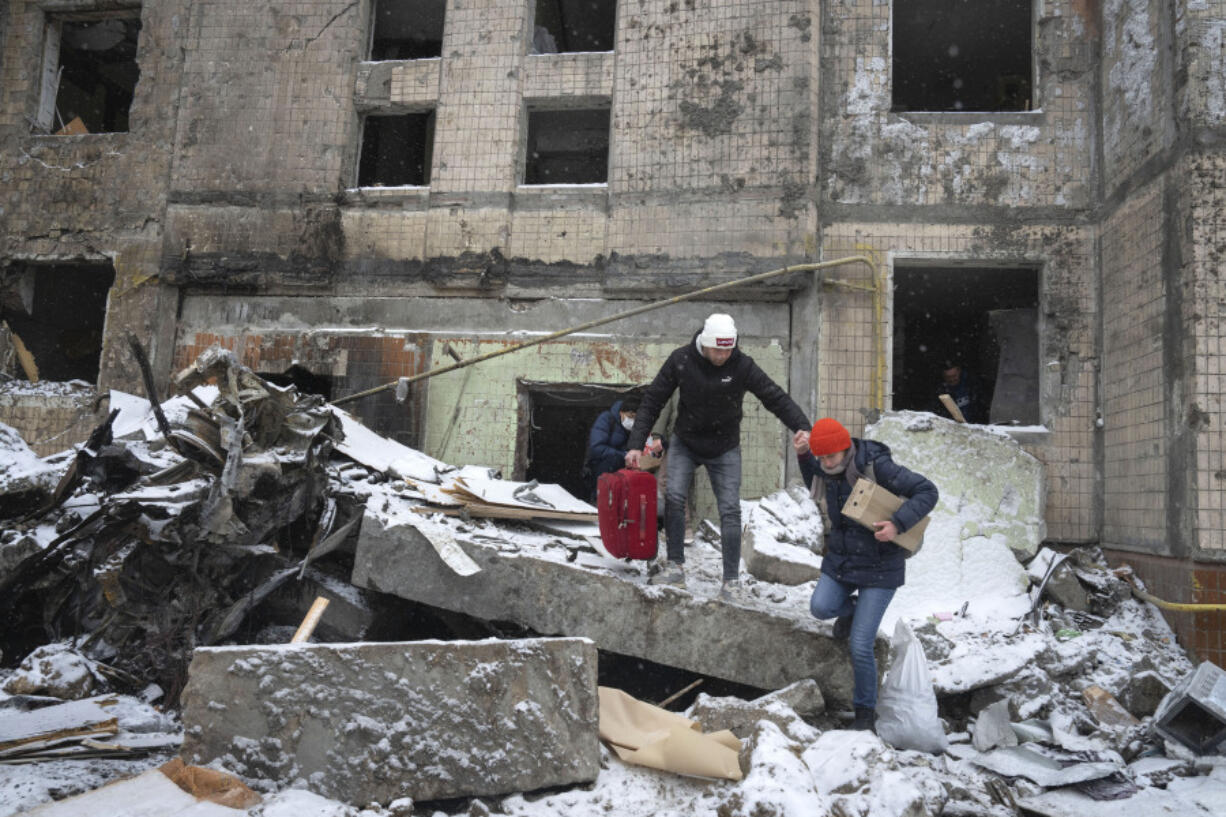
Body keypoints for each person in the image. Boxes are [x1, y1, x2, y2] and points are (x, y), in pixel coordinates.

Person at [624, 313, 811, 596]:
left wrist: (802, 427)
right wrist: (636, 444)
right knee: (674, 496)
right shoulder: (681, 360)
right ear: (704, 343)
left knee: (730, 510)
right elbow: (653, 400)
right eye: (717, 349)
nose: (723, 355)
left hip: (724, 447)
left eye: (728, 349)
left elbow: (775, 397)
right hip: (686, 442)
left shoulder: (742, 365)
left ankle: (731, 581)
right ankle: (675, 568)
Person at [792, 418, 938, 732]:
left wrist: (898, 523)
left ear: (845, 448)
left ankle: (864, 714)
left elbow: (927, 491)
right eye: (821, 458)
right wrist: (804, 456)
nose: (826, 463)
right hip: (844, 561)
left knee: (859, 643)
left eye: (830, 457)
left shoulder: (877, 466)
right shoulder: (826, 470)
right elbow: (814, 481)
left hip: (881, 566)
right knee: (820, 608)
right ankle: (855, 611)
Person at [583, 394, 640, 501]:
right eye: (630, 416)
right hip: (601, 467)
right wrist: (622, 455)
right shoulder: (607, 419)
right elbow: (596, 447)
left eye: (636, 418)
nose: (632, 421)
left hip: (623, 471)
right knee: (603, 497)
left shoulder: (637, 428)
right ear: (621, 412)